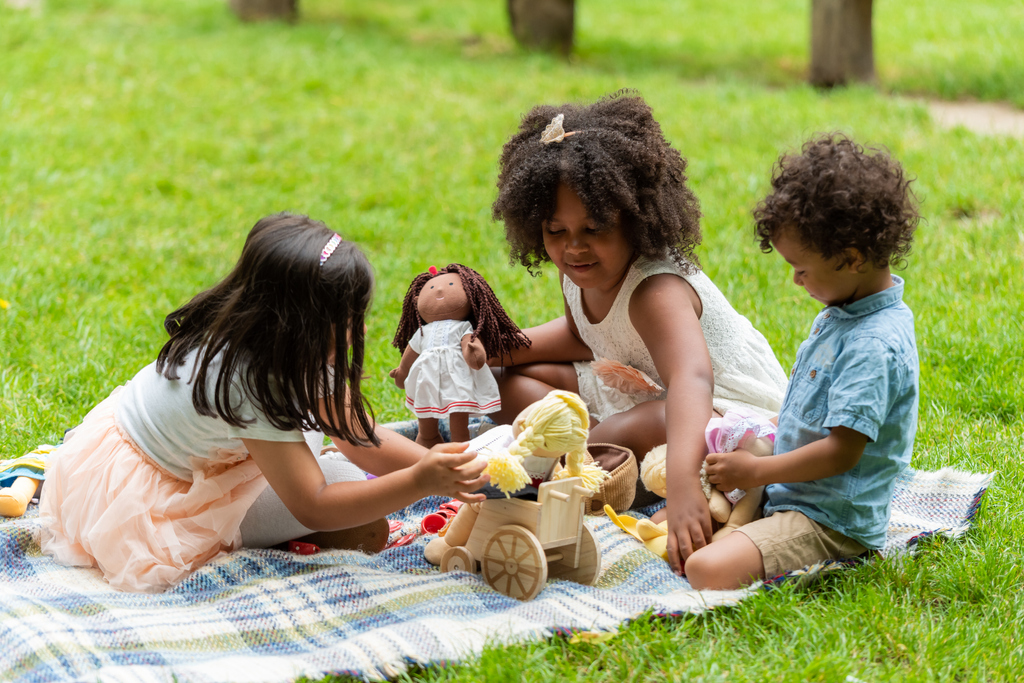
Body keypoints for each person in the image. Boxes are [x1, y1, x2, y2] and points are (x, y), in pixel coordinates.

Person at [39, 213, 489, 593]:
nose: (361, 332)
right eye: (351, 320)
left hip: (190, 451)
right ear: (303, 325)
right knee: (346, 493)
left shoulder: (284, 341)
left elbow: (356, 432)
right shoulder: (253, 379)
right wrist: (419, 482)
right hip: (147, 496)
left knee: (334, 465)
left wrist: (457, 467)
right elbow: (313, 502)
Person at [489, 91, 789, 575]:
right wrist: (498, 349)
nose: (574, 247)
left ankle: (572, 466)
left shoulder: (656, 290)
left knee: (645, 422)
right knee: (507, 386)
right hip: (636, 386)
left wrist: (686, 489)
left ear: (637, 215)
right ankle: (572, 449)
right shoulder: (578, 273)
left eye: (594, 228)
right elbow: (583, 337)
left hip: (724, 417)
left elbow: (692, 378)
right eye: (556, 231)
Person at [686, 133, 921, 589]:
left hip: (828, 519)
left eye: (801, 269)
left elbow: (842, 452)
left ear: (851, 259)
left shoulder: (873, 344)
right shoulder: (845, 308)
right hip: (791, 483)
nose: (795, 281)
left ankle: (743, 525)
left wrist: (757, 472)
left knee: (703, 569)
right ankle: (742, 519)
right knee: (708, 440)